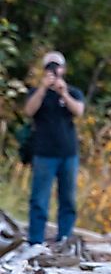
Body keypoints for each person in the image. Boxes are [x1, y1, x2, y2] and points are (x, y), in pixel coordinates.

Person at [22, 51, 85, 246]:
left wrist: (63, 92)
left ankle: (64, 238)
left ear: (63, 69)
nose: (54, 70)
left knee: (68, 199)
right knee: (39, 200)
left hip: (68, 153)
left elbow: (79, 111)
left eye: (56, 66)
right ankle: (35, 241)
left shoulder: (72, 92)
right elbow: (28, 111)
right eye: (50, 67)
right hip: (44, 153)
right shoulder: (36, 93)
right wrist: (43, 88)